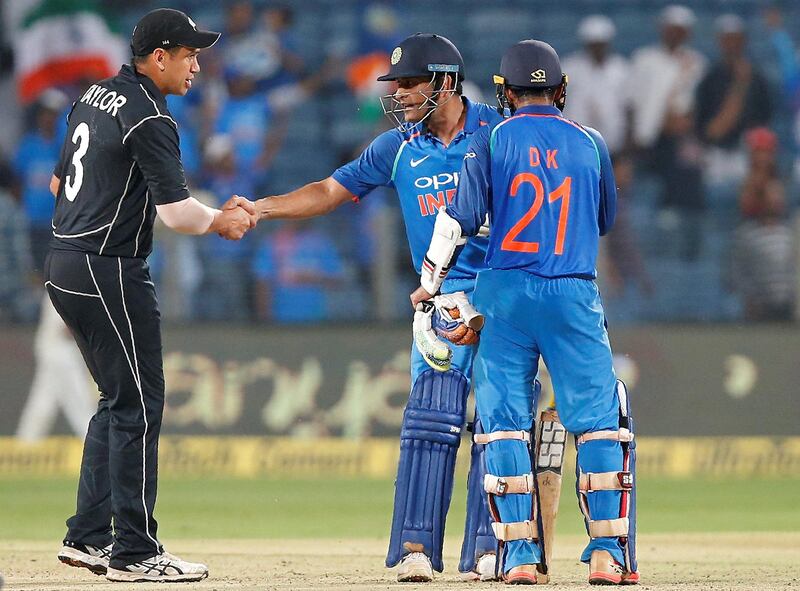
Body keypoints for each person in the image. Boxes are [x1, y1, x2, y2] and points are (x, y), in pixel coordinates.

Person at [246, 33, 504, 583]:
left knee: (498, 425)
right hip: (440, 302)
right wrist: (263, 208)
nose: (401, 94)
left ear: (447, 81)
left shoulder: (498, 129)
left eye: (412, 83)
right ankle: (415, 549)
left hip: (502, 297)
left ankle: (490, 547)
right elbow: (328, 191)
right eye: (398, 85)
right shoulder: (398, 146)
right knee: (430, 423)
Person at [412, 40, 638, 585]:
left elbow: (456, 221)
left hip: (505, 294)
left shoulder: (489, 139)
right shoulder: (592, 142)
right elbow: (604, 218)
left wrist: (428, 286)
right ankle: (607, 553)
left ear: (504, 93)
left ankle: (516, 558)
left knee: (504, 425)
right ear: (561, 91)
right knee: (600, 425)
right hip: (572, 293)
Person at [47, 9, 256, 583]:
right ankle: (135, 550)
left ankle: (88, 538)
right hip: (110, 267)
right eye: (189, 54)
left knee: (116, 400)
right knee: (138, 404)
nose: (197, 64)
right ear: (158, 57)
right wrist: (222, 221)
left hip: (63, 261)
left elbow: (56, 181)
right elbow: (178, 213)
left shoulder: (93, 95)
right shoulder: (149, 115)